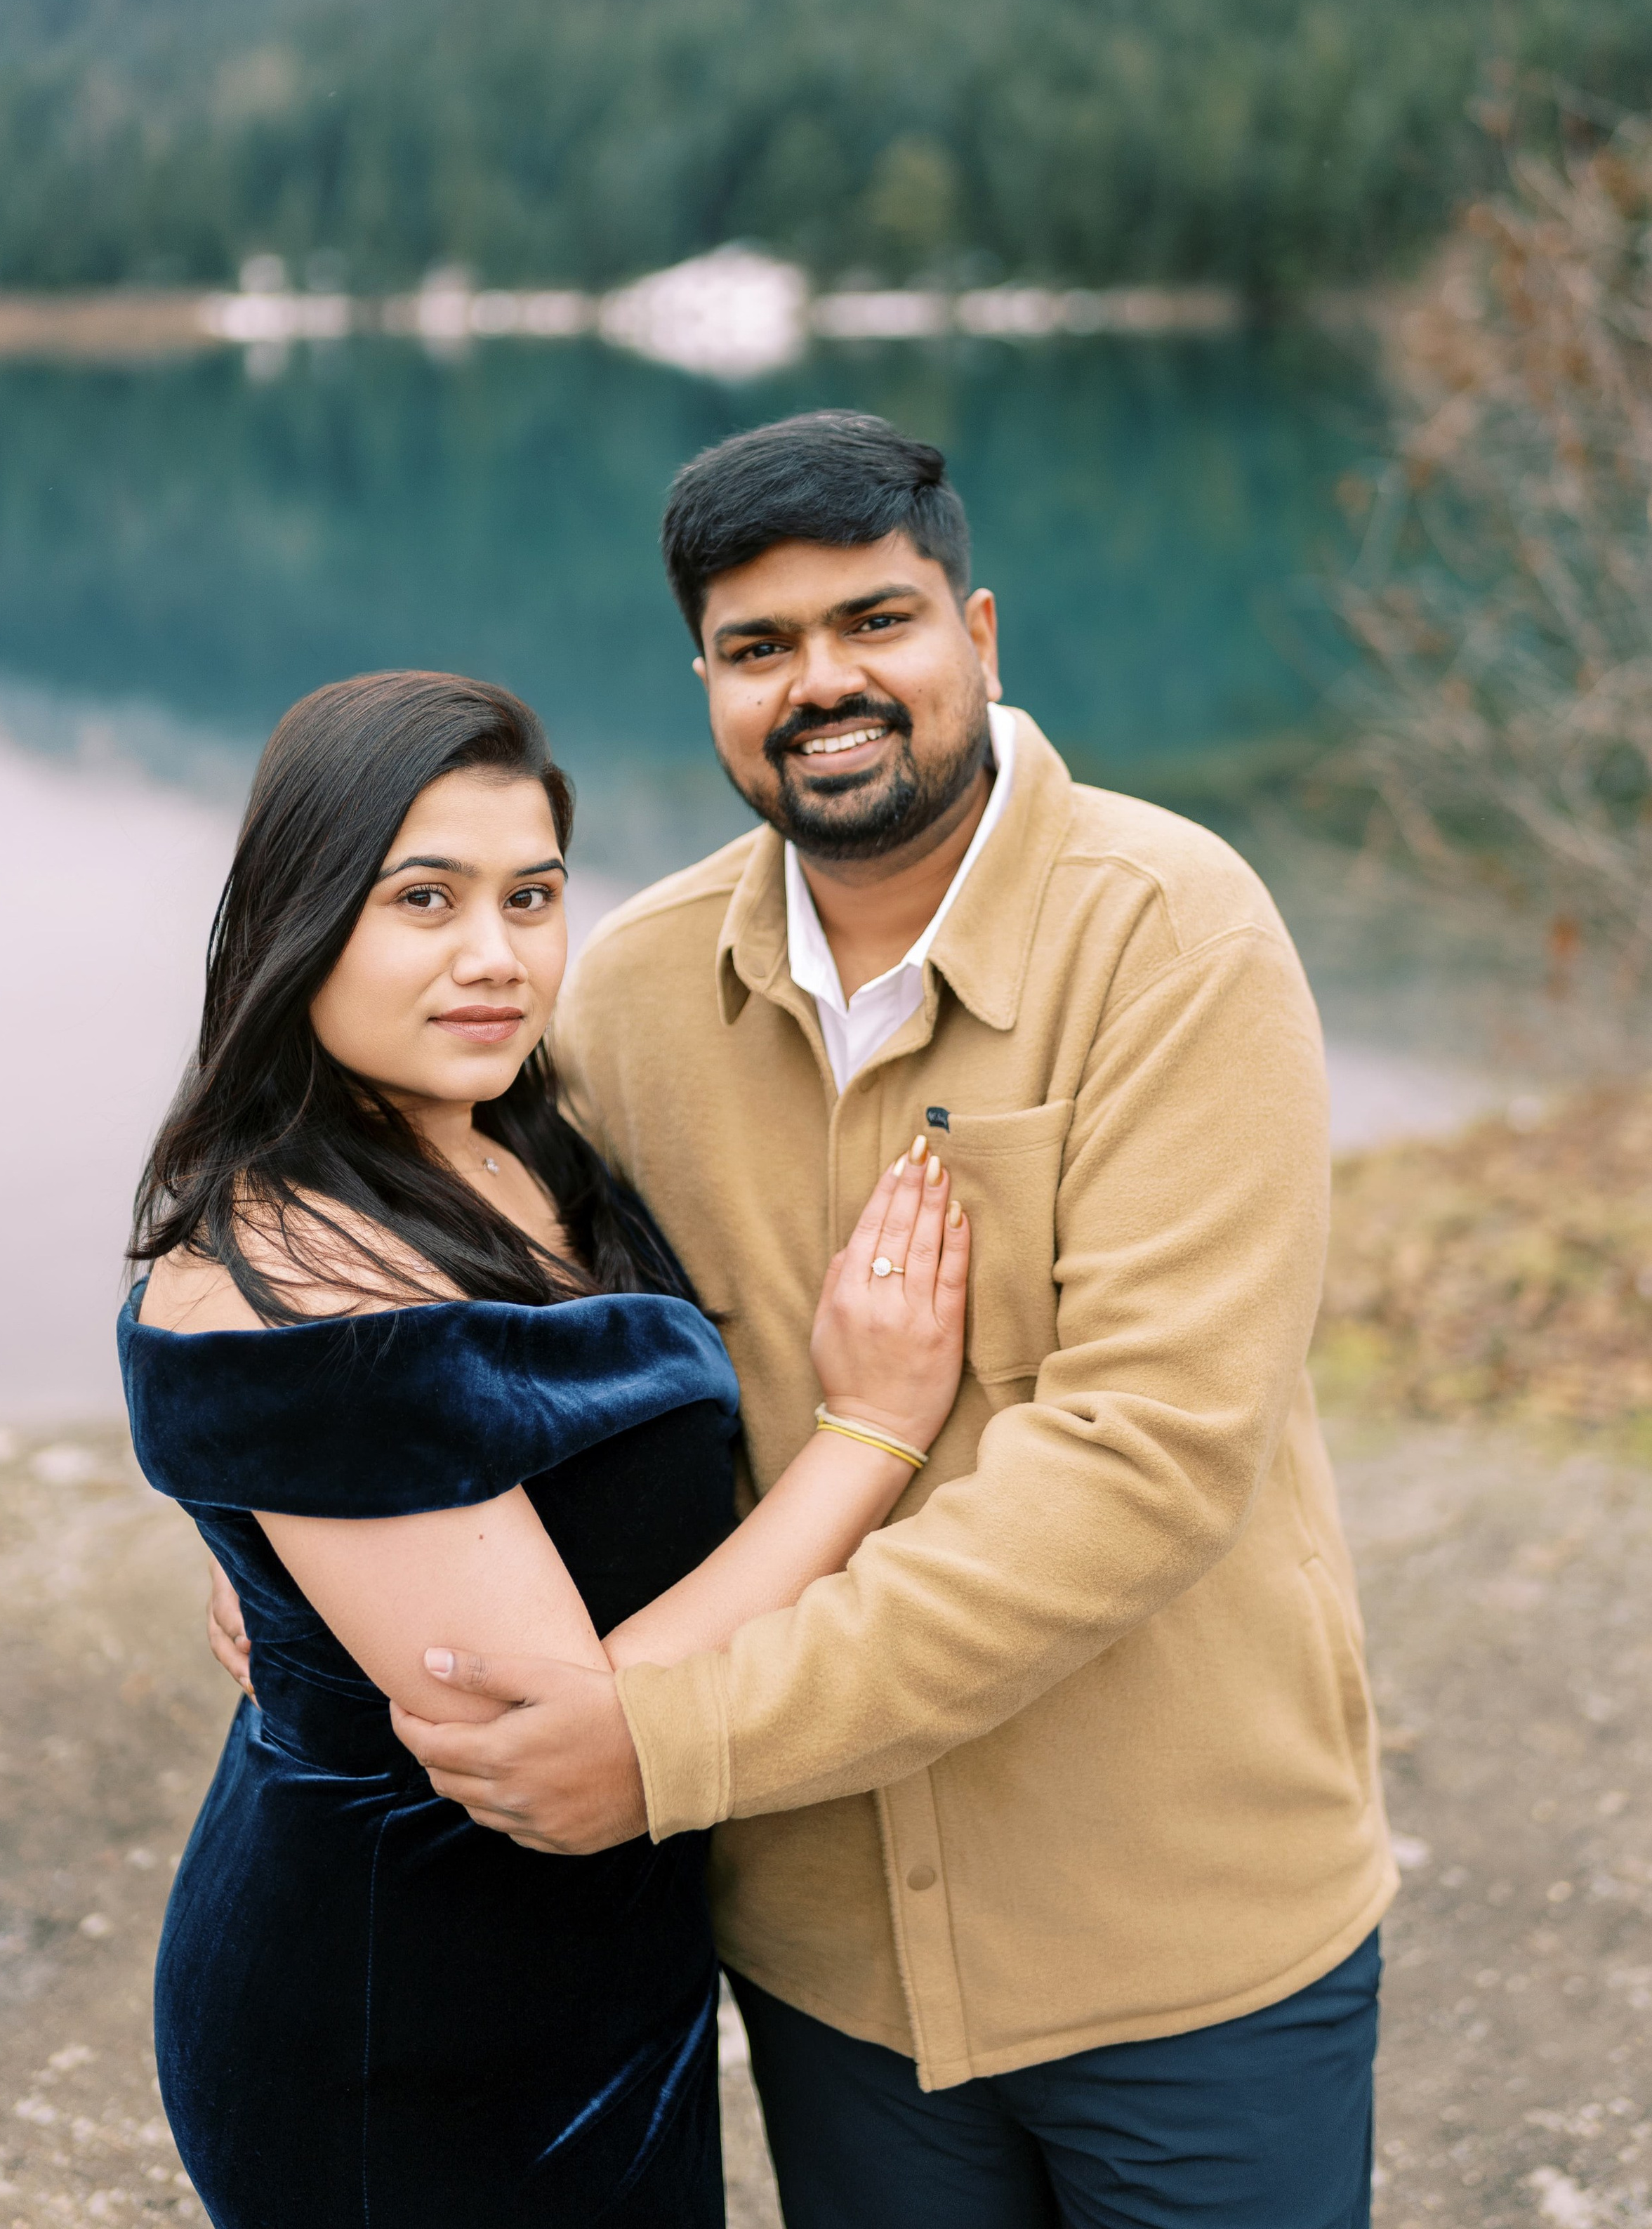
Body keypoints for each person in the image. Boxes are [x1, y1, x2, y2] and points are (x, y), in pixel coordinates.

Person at [354, 413, 1397, 2229]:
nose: (823, 684)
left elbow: (1140, 1469)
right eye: (759, 648)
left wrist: (668, 1743)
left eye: (875, 622)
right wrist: (298, 1504)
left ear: (978, 635)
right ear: (705, 683)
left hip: (1188, 1949)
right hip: (834, 1973)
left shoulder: (1175, 939)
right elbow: (465, 1297)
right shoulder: (631, 1002)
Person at [126, 667, 970, 2229]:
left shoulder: (504, 1133)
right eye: (422, 900)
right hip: (405, 2003)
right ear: (299, 920)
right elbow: (550, 1732)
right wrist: (871, 1433)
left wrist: (286, 1573)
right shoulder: (298, 1281)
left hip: (596, 1961)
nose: (495, 958)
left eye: (531, 896)